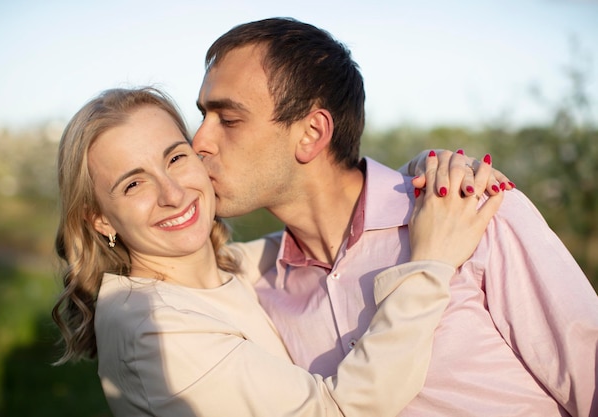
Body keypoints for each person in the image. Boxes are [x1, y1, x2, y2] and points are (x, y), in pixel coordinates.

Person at [192, 17, 598, 416]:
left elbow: (589, 375)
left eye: (228, 119)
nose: (199, 141)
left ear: (312, 133)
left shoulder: (476, 209)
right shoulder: (255, 288)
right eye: (203, 116)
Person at [51, 87, 501, 416]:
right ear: (100, 218)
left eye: (175, 158)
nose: (172, 193)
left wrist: (421, 177)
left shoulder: (228, 268)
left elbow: (334, 221)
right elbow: (339, 411)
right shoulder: (150, 326)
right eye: (133, 184)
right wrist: (431, 264)